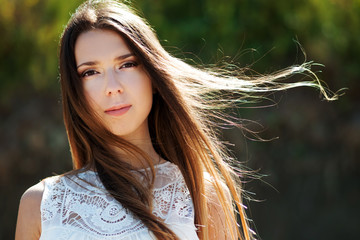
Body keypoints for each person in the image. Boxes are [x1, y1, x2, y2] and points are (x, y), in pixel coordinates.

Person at [14, 0, 338, 239]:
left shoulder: (200, 192)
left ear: (153, 75)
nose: (112, 88)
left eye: (127, 64)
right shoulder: (41, 203)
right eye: (90, 72)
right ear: (76, 89)